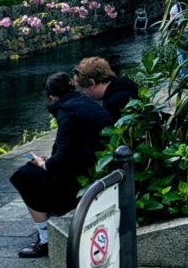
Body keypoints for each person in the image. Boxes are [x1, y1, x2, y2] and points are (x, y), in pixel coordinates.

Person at [10, 72, 114, 258]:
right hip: (100, 169)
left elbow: (62, 160)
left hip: (83, 181)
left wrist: (44, 163)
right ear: (72, 86)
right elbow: (76, 146)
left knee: (24, 175)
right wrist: (48, 160)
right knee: (35, 170)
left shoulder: (67, 112)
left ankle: (45, 240)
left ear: (51, 97)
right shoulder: (86, 102)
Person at [73, 56, 139, 121]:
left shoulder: (114, 104)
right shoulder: (125, 83)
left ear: (92, 83)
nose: (84, 94)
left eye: (83, 90)